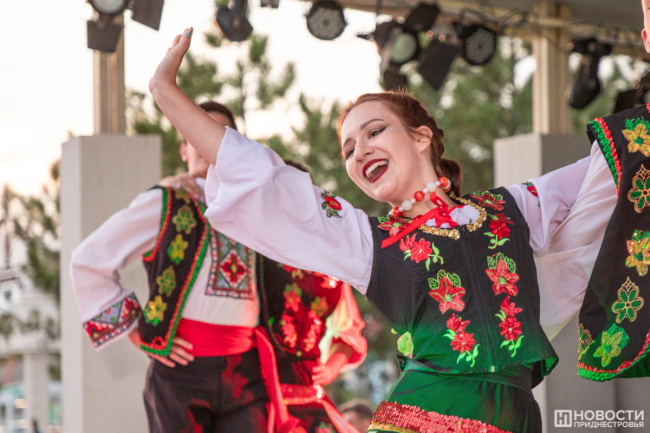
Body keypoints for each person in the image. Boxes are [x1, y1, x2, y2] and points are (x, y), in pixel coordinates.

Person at [147, 28, 625, 432]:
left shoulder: (511, 209)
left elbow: (609, 168)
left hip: (516, 415)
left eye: (374, 131)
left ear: (421, 137)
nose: (360, 151)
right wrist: (165, 91)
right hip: (427, 414)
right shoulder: (367, 242)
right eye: (348, 149)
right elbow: (266, 181)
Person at [70, 102, 297, 433]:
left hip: (246, 371)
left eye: (218, 135)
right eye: (196, 134)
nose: (206, 142)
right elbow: (88, 260)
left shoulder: (255, 206)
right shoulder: (166, 201)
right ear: (184, 149)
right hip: (182, 371)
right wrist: (138, 333)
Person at [163, 161, 368, 433]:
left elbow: (348, 333)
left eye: (299, 194)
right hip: (253, 397)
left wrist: (331, 367)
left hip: (310, 402)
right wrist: (171, 188)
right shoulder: (248, 251)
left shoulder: (328, 268)